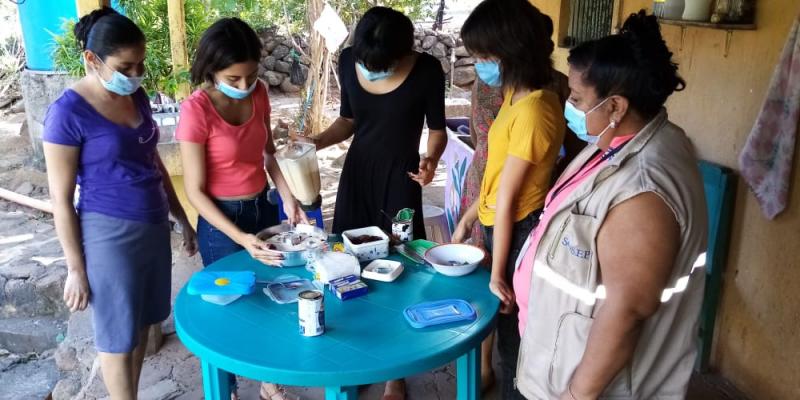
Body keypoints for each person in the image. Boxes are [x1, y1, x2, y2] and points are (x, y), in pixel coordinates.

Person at [513, 11, 708, 400]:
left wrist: (577, 395)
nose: (568, 104)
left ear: (616, 106)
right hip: (559, 355)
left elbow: (626, 312)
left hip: (589, 385)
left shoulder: (643, 193)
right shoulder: (617, 144)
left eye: (576, 98)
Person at [42, 8, 197, 399]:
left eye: (140, 64)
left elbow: (153, 160)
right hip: (108, 232)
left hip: (152, 224)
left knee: (145, 323)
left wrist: (181, 217)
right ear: (92, 60)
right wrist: (76, 269)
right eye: (125, 66)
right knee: (116, 335)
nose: (135, 74)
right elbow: (60, 200)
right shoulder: (66, 114)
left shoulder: (137, 95)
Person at [176, 17, 307, 400]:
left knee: (274, 293)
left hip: (262, 211)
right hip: (222, 223)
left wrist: (287, 196)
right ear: (211, 70)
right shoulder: (196, 111)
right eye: (233, 79)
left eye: (250, 76)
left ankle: (269, 382)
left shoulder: (260, 93)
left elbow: (268, 155)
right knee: (227, 309)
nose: (244, 86)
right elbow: (196, 192)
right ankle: (227, 389)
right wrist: (241, 239)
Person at [455, 12, 580, 392]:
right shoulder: (515, 95)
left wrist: (498, 274)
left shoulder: (535, 110)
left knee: (512, 339)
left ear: (511, 54)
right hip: (498, 222)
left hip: (518, 228)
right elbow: (494, 176)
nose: (478, 65)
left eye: (483, 57)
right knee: (500, 322)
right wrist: (469, 219)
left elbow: (509, 199)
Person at [300, 6, 447, 247]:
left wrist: (431, 159)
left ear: (402, 53)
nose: (372, 69)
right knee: (349, 246)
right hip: (357, 172)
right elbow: (347, 120)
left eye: (382, 64)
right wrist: (317, 142)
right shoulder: (348, 60)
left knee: (403, 248)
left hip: (403, 176)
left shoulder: (427, 70)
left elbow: (437, 130)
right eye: (365, 61)